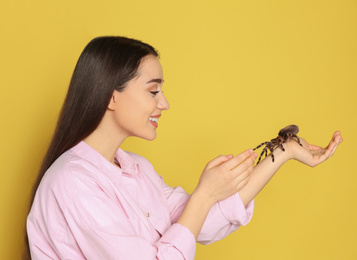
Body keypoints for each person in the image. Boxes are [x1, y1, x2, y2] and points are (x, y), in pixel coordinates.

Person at [26, 36, 343, 260]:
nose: (164, 103)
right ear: (111, 96)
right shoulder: (72, 183)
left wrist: (284, 152)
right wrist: (205, 194)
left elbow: (200, 223)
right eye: (153, 91)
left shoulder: (136, 168)